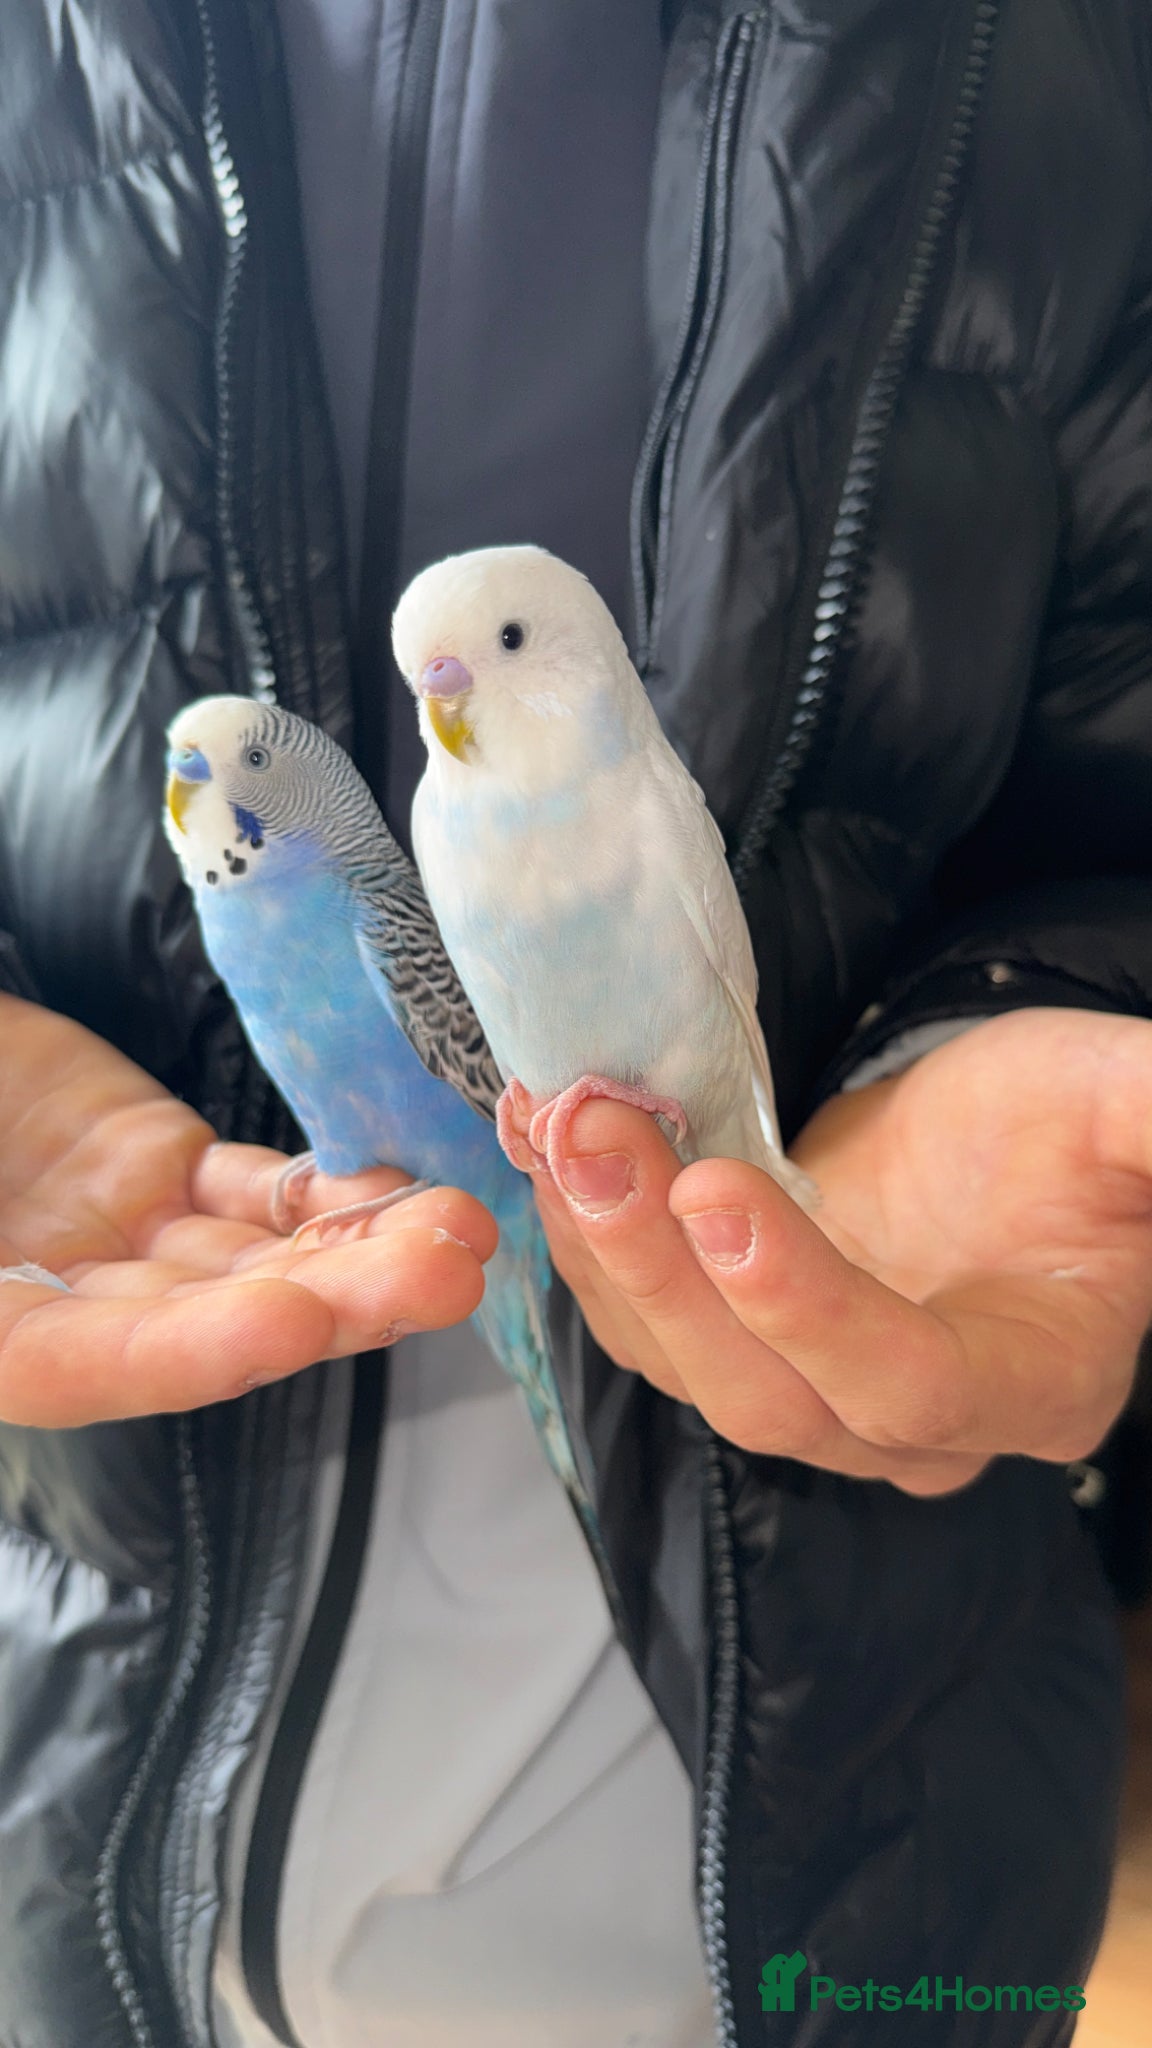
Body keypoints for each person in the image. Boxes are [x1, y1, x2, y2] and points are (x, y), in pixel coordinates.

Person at [1, 1, 1150, 2042]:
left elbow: (1109, 814)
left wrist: (1032, 1015)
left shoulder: (1066, 66)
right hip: (74, 1822)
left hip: (833, 1849)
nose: (446, 702)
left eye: (492, 654)